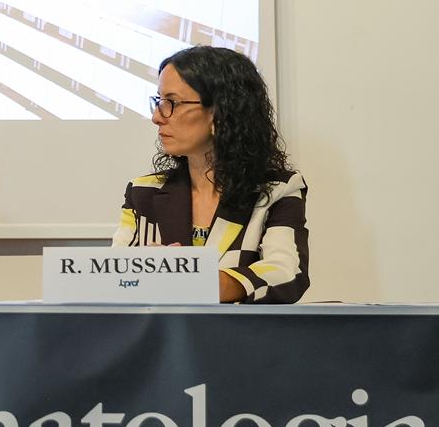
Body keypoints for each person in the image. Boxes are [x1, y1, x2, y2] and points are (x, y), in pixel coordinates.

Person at [112, 46, 309, 303]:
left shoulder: (277, 190)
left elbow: (287, 273)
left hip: (235, 330)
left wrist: (195, 279)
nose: (157, 117)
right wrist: (142, 274)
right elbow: (115, 280)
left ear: (220, 111)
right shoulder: (143, 193)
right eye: (158, 101)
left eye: (172, 102)